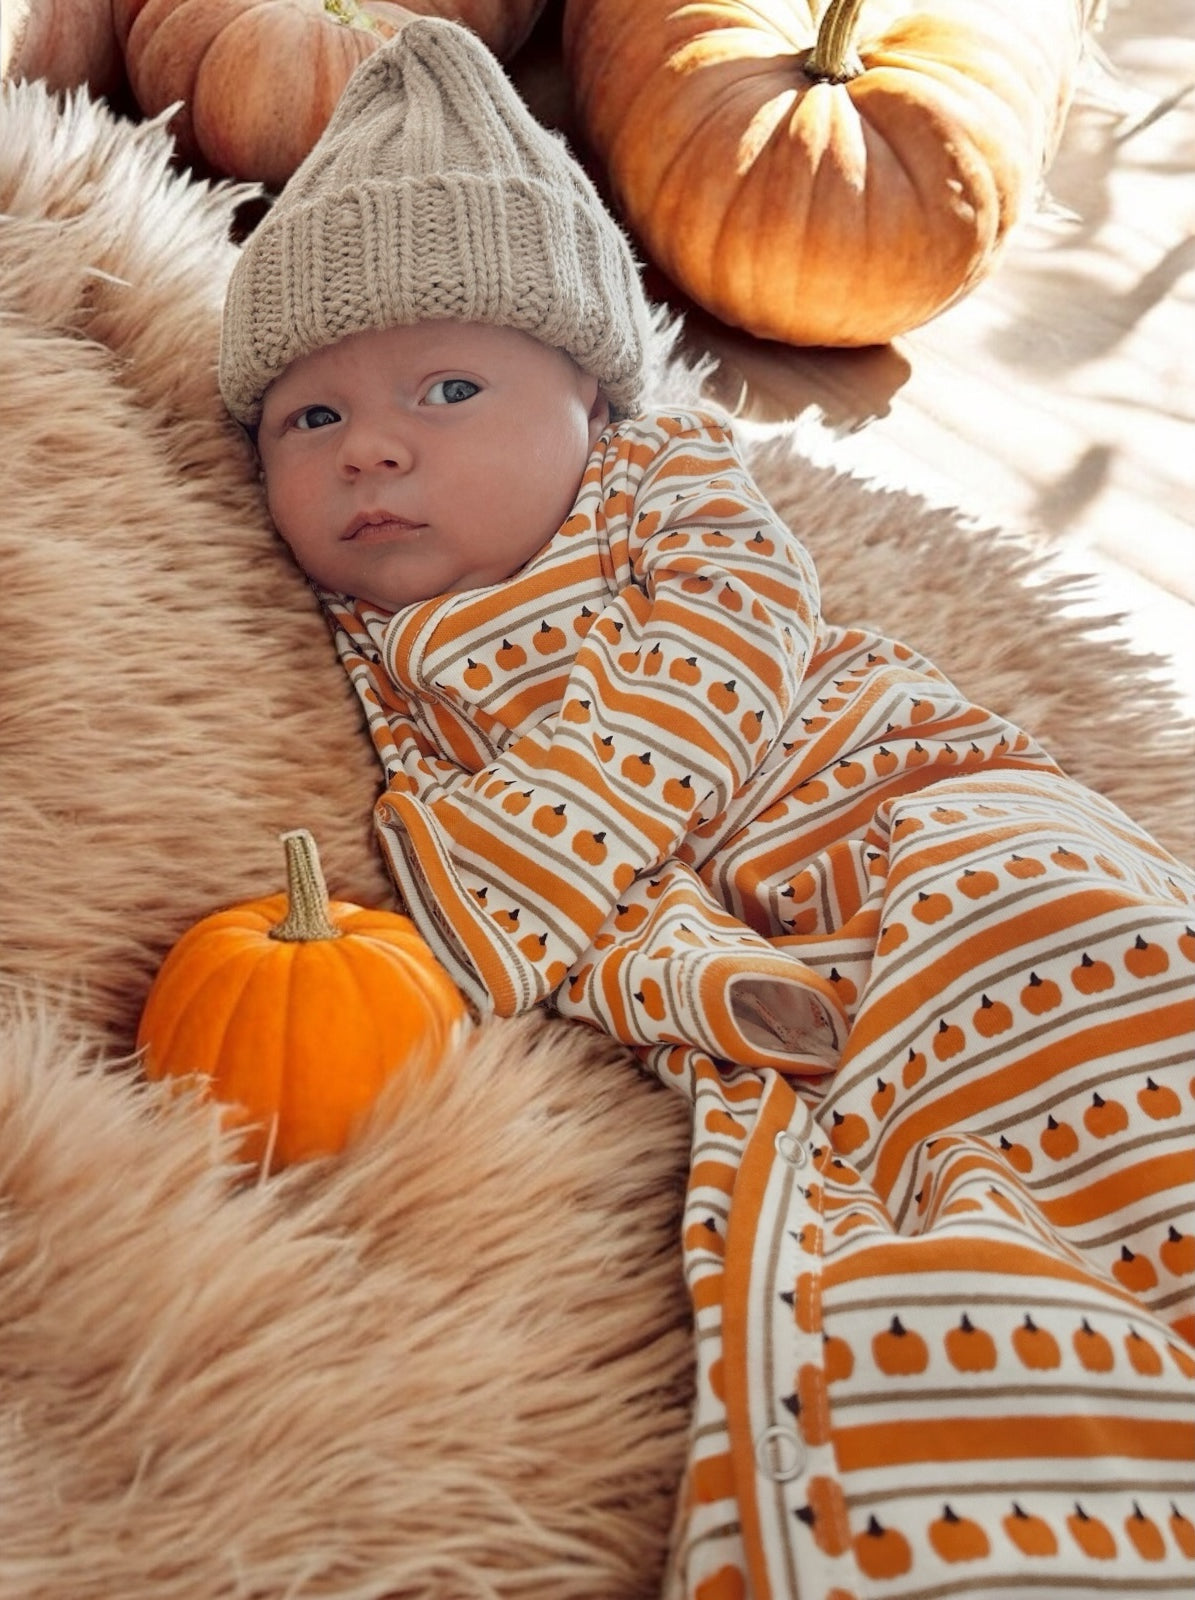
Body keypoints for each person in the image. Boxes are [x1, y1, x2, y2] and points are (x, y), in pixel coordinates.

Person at [219, 18, 1195, 1598]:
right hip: (778, 951)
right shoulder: (382, 658)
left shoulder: (662, 494)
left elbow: (720, 659)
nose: (373, 444)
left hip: (911, 811)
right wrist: (689, 980)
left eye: (448, 385)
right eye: (306, 420)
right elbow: (500, 859)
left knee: (1093, 989)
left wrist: (522, 881)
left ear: (592, 408)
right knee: (886, 1255)